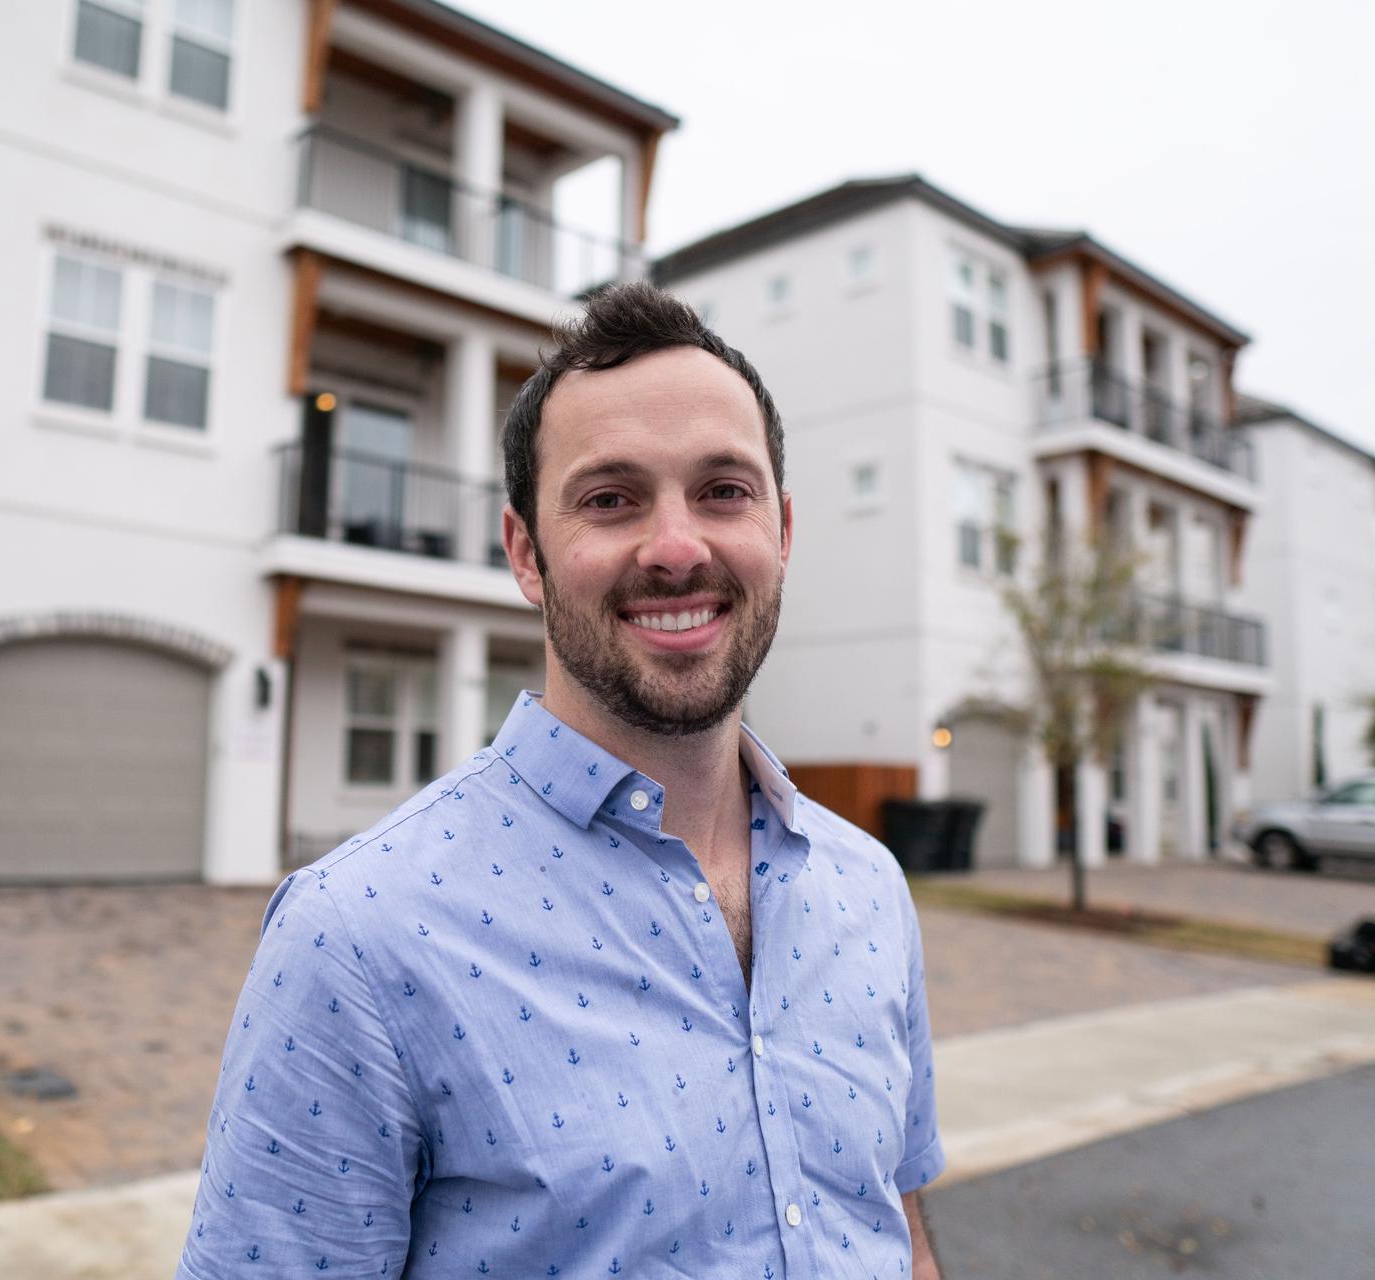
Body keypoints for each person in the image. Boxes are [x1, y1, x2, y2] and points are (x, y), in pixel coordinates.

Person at [174, 282, 945, 1278]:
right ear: (526, 554)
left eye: (723, 489)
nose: (676, 546)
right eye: (611, 498)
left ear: (783, 530)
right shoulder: (359, 937)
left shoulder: (870, 887)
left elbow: (901, 1227)